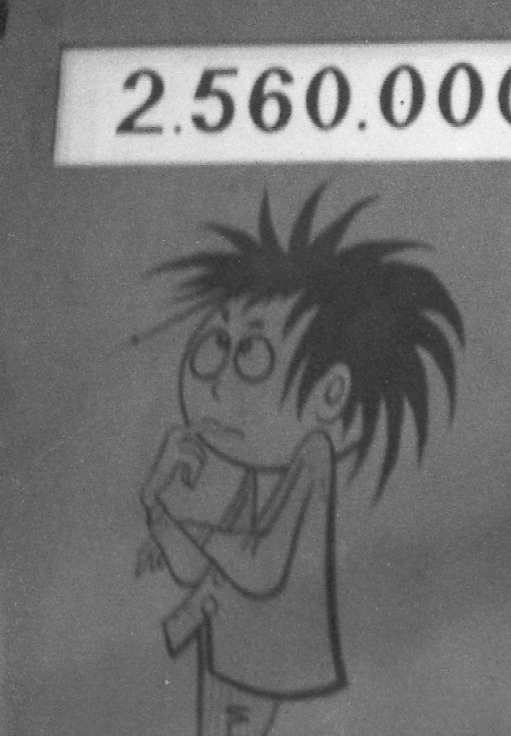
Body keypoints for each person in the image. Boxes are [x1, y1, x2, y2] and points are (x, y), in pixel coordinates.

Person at [136, 187, 464, 736]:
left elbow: (260, 569)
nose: (214, 381)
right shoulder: (250, 467)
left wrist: (189, 527)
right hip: (227, 653)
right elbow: (194, 569)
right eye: (215, 345)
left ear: (330, 394)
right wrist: (158, 501)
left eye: (251, 355)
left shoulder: (310, 459)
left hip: (264, 665)